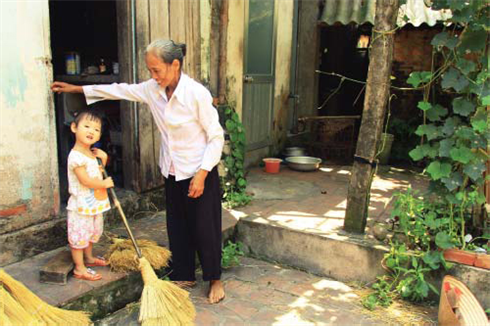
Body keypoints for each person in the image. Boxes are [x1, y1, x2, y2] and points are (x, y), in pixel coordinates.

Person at [51, 39, 226, 303]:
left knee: (205, 227)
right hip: (172, 168)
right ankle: (184, 274)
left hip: (199, 169)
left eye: (157, 70)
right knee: (177, 226)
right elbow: (118, 90)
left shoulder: (196, 94)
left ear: (175, 64)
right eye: (150, 71)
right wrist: (76, 88)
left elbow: (216, 137)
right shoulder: (152, 89)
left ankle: (215, 279)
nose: (153, 77)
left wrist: (202, 174)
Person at [67, 109, 113, 281]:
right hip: (80, 205)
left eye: (96, 129)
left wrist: (104, 159)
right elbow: (85, 180)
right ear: (74, 128)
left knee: (92, 231)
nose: (91, 131)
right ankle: (80, 268)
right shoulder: (75, 156)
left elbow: (97, 172)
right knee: (79, 235)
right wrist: (104, 184)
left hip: (93, 203)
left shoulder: (92, 153)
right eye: (86, 126)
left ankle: (89, 258)